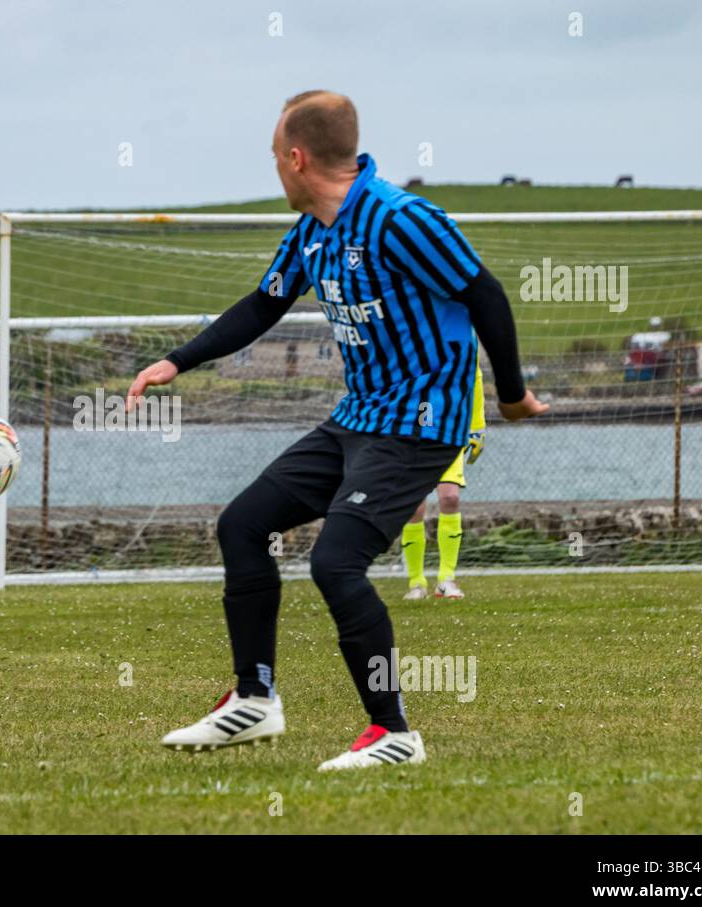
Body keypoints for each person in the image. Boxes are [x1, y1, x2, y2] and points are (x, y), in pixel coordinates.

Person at [127, 91, 547, 770]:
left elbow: (485, 292)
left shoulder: (401, 218)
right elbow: (264, 302)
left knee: (334, 563)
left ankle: (395, 733)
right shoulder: (314, 231)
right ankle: (255, 697)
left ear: (295, 158)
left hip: (417, 424)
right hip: (358, 418)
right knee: (243, 525)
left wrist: (513, 394)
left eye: (273, 157)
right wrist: (178, 360)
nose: (275, 169)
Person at [401, 360, 485, 600]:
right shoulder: (413, 340)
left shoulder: (462, 339)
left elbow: (475, 379)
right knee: (415, 507)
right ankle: (416, 583)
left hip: (450, 433)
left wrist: (477, 427)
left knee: (450, 498)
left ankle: (446, 580)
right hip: (413, 436)